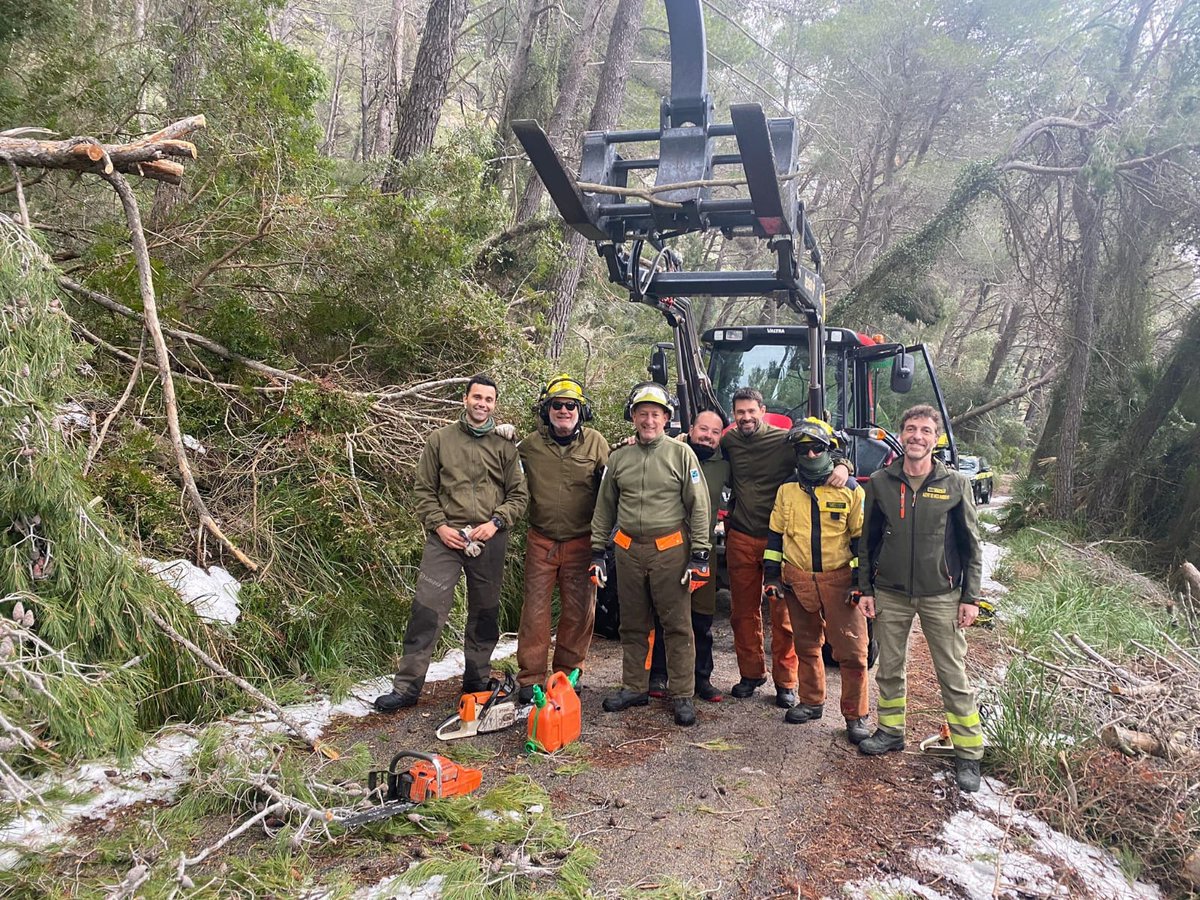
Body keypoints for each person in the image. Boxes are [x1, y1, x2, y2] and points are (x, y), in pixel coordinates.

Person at [374, 375, 529, 711]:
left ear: (494, 405)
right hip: (445, 540)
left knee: (485, 612)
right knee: (426, 610)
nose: (482, 404)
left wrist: (496, 523)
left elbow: (519, 495)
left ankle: (476, 682)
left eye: (488, 399)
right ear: (465, 399)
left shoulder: (504, 445)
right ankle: (407, 688)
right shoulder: (440, 440)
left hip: (488, 539)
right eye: (477, 397)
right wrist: (440, 526)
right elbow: (424, 490)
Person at [856, 404, 985, 792]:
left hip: (942, 594)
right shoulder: (880, 481)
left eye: (926, 430)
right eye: (911, 428)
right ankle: (890, 731)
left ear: (936, 438)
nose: (917, 436)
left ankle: (968, 752)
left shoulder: (955, 483)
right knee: (889, 667)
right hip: (890, 593)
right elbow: (867, 542)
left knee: (952, 674)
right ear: (902, 434)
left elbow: (972, 546)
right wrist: (865, 589)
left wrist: (970, 597)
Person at [589, 382, 711, 727]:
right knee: (632, 624)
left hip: (670, 550)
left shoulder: (681, 454)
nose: (648, 420)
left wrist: (700, 554)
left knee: (677, 625)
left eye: (655, 414)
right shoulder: (619, 458)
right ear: (633, 417)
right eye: (642, 414)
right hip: (627, 550)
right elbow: (604, 507)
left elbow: (699, 506)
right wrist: (597, 551)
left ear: (666, 418)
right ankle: (634, 687)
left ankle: (682, 694)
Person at [720, 388, 850, 708]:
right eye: (740, 412)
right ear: (733, 415)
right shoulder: (730, 441)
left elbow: (820, 449)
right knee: (742, 613)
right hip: (741, 536)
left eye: (751, 411)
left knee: (784, 616)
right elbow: (700, 445)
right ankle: (751, 674)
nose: (746, 417)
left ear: (762, 411)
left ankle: (786, 681)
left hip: (779, 538)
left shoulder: (783, 441)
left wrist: (843, 465)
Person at [762, 418, 870, 742]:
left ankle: (856, 715)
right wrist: (772, 576)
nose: (810, 455)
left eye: (817, 448)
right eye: (803, 449)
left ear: (829, 450)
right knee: (806, 646)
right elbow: (775, 536)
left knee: (853, 651)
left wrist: (860, 582)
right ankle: (811, 702)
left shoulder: (850, 490)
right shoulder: (787, 490)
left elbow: (862, 540)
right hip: (798, 580)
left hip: (840, 580)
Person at [515, 375, 610, 703]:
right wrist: (500, 437)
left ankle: (568, 674)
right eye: (557, 405)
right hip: (541, 540)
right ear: (547, 410)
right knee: (534, 612)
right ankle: (530, 678)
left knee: (579, 612)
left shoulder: (597, 443)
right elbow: (504, 472)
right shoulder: (529, 446)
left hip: (582, 541)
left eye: (571, 405)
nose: (564, 410)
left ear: (581, 411)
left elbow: (612, 486)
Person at [649, 409, 729, 703]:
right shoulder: (668, 451)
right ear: (691, 428)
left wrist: (842, 465)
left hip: (704, 549)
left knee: (701, 618)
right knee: (665, 614)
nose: (708, 436)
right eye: (703, 429)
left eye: (715, 432)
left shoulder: (725, 465)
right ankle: (658, 674)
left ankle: (701, 678)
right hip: (668, 548)